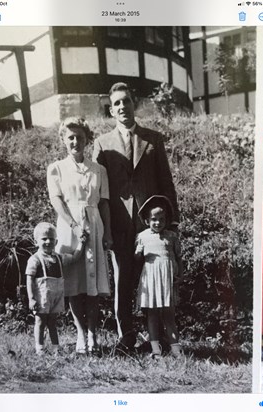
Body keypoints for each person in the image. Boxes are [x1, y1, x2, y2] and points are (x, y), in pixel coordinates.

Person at [92, 82, 179, 350]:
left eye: (126, 101)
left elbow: (166, 181)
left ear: (135, 104)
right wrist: (101, 226)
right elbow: (97, 190)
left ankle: (156, 337)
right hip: (117, 224)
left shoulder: (153, 139)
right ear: (111, 110)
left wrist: (172, 220)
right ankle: (126, 335)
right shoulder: (102, 144)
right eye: (116, 103)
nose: (122, 107)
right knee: (123, 279)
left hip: (150, 225)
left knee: (152, 278)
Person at [47, 117, 112, 354]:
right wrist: (74, 226)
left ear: (87, 140)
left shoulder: (99, 170)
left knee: (92, 283)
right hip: (69, 227)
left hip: (94, 225)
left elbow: (104, 204)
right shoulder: (56, 168)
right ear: (64, 140)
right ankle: (81, 335)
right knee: (74, 283)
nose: (76, 141)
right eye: (71, 137)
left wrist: (108, 233)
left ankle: (94, 333)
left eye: (80, 137)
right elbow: (57, 201)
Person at [26, 222, 87, 355]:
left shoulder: (59, 258)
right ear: (36, 242)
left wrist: (82, 243)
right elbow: (29, 279)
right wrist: (31, 298)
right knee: (40, 320)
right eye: (44, 239)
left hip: (56, 296)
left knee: (53, 321)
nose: (48, 241)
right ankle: (40, 348)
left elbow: (75, 257)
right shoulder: (35, 259)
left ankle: (55, 348)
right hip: (42, 296)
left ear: (56, 241)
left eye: (51, 239)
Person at [135, 195, 183, 359]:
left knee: (169, 315)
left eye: (162, 219)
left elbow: (178, 258)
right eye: (154, 219)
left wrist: (180, 276)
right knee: (153, 314)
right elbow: (137, 259)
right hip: (151, 278)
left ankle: (176, 350)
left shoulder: (172, 236)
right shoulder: (142, 236)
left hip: (167, 279)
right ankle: (156, 349)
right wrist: (137, 253)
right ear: (147, 220)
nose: (158, 222)